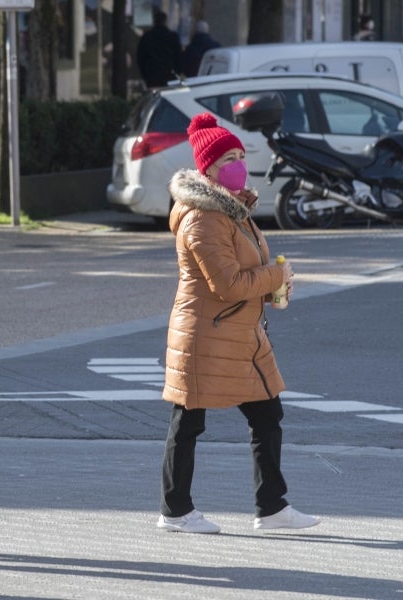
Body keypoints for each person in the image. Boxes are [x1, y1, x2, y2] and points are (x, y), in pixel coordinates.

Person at [156, 113, 322, 535]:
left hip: (239, 334)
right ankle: (175, 511)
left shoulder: (234, 210)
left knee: (268, 413)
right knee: (189, 420)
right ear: (207, 168)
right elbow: (226, 283)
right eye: (227, 157)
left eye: (239, 155)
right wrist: (276, 278)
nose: (237, 163)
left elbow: (246, 274)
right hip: (206, 333)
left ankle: (272, 507)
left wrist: (271, 289)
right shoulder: (203, 217)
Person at [136, 9, 182, 88]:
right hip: (168, 74)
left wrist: (145, 73)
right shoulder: (172, 37)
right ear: (165, 21)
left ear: (154, 21)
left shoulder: (147, 37)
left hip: (152, 75)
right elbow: (178, 57)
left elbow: (140, 57)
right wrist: (177, 71)